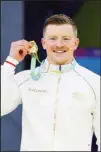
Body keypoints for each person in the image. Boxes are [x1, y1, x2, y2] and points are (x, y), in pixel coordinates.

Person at [1, 14, 100, 151]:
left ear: (75, 43)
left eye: (66, 39)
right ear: (43, 43)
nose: (59, 44)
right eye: (53, 38)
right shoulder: (26, 79)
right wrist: (10, 62)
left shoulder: (94, 82)